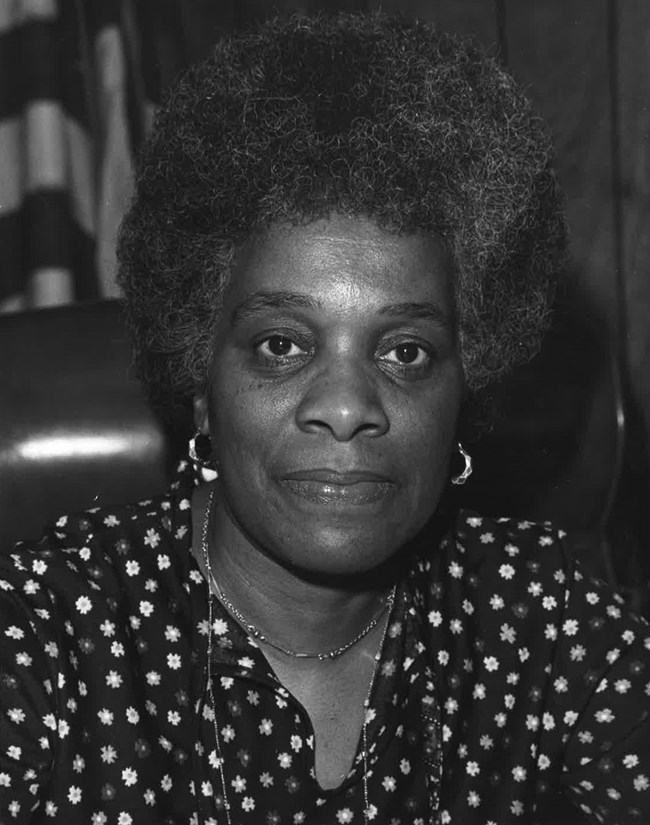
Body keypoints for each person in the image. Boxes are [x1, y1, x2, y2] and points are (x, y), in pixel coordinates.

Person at [1, 12, 648, 825]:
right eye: (281, 343)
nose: (346, 408)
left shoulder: (547, 621)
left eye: (406, 352)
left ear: (467, 378)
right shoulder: (41, 641)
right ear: (201, 366)